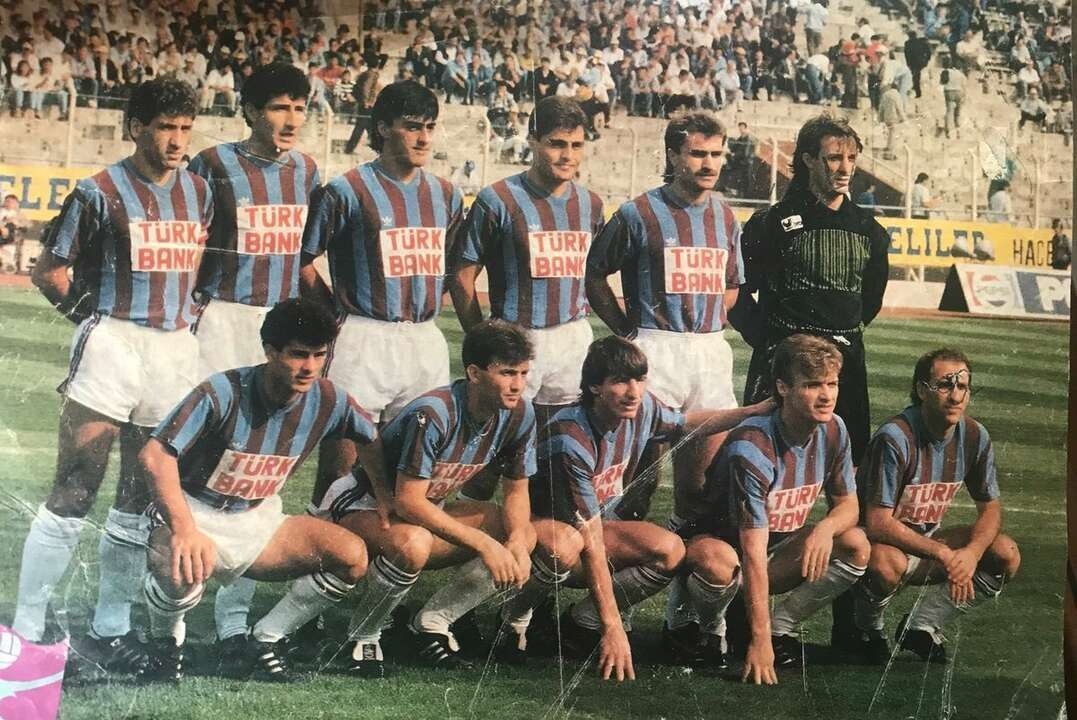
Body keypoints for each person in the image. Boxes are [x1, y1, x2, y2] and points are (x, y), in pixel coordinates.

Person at [12, 79, 211, 672]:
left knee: (139, 495)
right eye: (165, 127)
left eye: (185, 128)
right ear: (136, 128)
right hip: (113, 342)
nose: (177, 140)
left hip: (173, 349)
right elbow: (50, 272)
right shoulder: (98, 191)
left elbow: (197, 272)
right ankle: (27, 627)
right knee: (76, 485)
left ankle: (111, 626)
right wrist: (94, 324)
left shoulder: (199, 192)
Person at [139, 299, 386, 682]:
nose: (309, 367)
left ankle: (266, 638)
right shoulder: (223, 390)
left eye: (319, 355)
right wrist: (184, 529)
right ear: (270, 351)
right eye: (298, 354)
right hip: (194, 510)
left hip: (257, 518)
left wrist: (386, 495)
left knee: (352, 556)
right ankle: (165, 644)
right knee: (179, 571)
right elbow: (155, 455)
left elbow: (370, 440)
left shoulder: (329, 399)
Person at [496, 337, 773, 676]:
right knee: (564, 546)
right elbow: (591, 542)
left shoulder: (641, 409)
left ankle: (581, 622)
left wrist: (750, 411)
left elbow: (686, 423)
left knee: (669, 549)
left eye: (640, 380)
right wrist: (613, 629)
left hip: (589, 532)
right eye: (620, 381)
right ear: (595, 386)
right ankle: (513, 618)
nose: (633, 392)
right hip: (541, 541)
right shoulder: (571, 438)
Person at [310, 320, 538, 677]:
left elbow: (517, 490)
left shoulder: (520, 413)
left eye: (523, 373)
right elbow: (408, 502)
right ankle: (365, 634)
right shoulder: (434, 412)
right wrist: (484, 544)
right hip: (362, 505)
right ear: (474, 373)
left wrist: (518, 542)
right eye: (507, 373)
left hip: (421, 512)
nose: (518, 385)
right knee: (413, 544)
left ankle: (432, 622)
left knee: (521, 532)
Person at [186, 62, 321, 657]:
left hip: (280, 323)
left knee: (263, 457)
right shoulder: (213, 164)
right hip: (224, 316)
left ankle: (233, 616)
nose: (290, 119)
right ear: (249, 111)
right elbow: (191, 245)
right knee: (208, 451)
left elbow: (304, 257)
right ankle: (177, 598)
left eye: (299, 107)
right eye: (278, 107)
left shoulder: (308, 171)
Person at [667, 334, 869, 682]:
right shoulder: (753, 445)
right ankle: (710, 629)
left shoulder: (835, 428)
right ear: (783, 388)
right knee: (718, 562)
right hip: (725, 551)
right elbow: (751, 550)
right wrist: (757, 642)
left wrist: (825, 528)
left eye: (832, 383)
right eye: (812, 385)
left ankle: (781, 628)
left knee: (854, 543)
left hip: (773, 551)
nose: (826, 395)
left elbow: (849, 505)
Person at [300, 80, 464, 497]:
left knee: (412, 467)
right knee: (340, 466)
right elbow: (302, 260)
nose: (424, 138)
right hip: (363, 336)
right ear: (383, 128)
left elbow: (453, 264)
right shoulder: (346, 190)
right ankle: (326, 535)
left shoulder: (446, 195)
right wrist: (332, 310)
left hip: (423, 337)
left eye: (430, 127)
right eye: (412, 126)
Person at [586, 110, 744, 533]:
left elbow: (732, 284)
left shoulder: (726, 216)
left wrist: (710, 320)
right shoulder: (638, 212)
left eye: (716, 154)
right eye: (697, 154)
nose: (708, 164)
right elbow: (595, 274)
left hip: (709, 349)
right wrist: (626, 330)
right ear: (673, 156)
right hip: (656, 347)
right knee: (638, 481)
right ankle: (613, 559)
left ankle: (678, 558)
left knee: (700, 488)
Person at [841, 349, 1020, 664]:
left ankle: (921, 626)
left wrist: (972, 553)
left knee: (1005, 553)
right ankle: (868, 628)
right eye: (945, 386)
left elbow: (991, 508)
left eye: (962, 387)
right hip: (876, 547)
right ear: (922, 390)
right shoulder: (895, 437)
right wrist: (943, 554)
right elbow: (878, 523)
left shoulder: (974, 435)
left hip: (925, 544)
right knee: (886, 564)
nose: (956, 397)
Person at [731, 113, 889, 469]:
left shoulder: (869, 230)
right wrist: (767, 339)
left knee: (847, 467)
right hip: (782, 366)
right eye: (834, 158)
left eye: (851, 158)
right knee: (762, 460)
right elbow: (737, 289)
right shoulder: (771, 223)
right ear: (808, 160)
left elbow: (870, 301)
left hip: (845, 365)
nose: (845, 168)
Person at [450, 96, 602, 444]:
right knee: (497, 447)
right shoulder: (497, 199)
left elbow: (594, 273)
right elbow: (463, 276)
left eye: (576, 145)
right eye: (556, 144)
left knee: (561, 442)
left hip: (572, 335)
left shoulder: (590, 204)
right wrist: (484, 341)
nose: (567, 156)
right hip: (516, 334)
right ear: (532, 141)